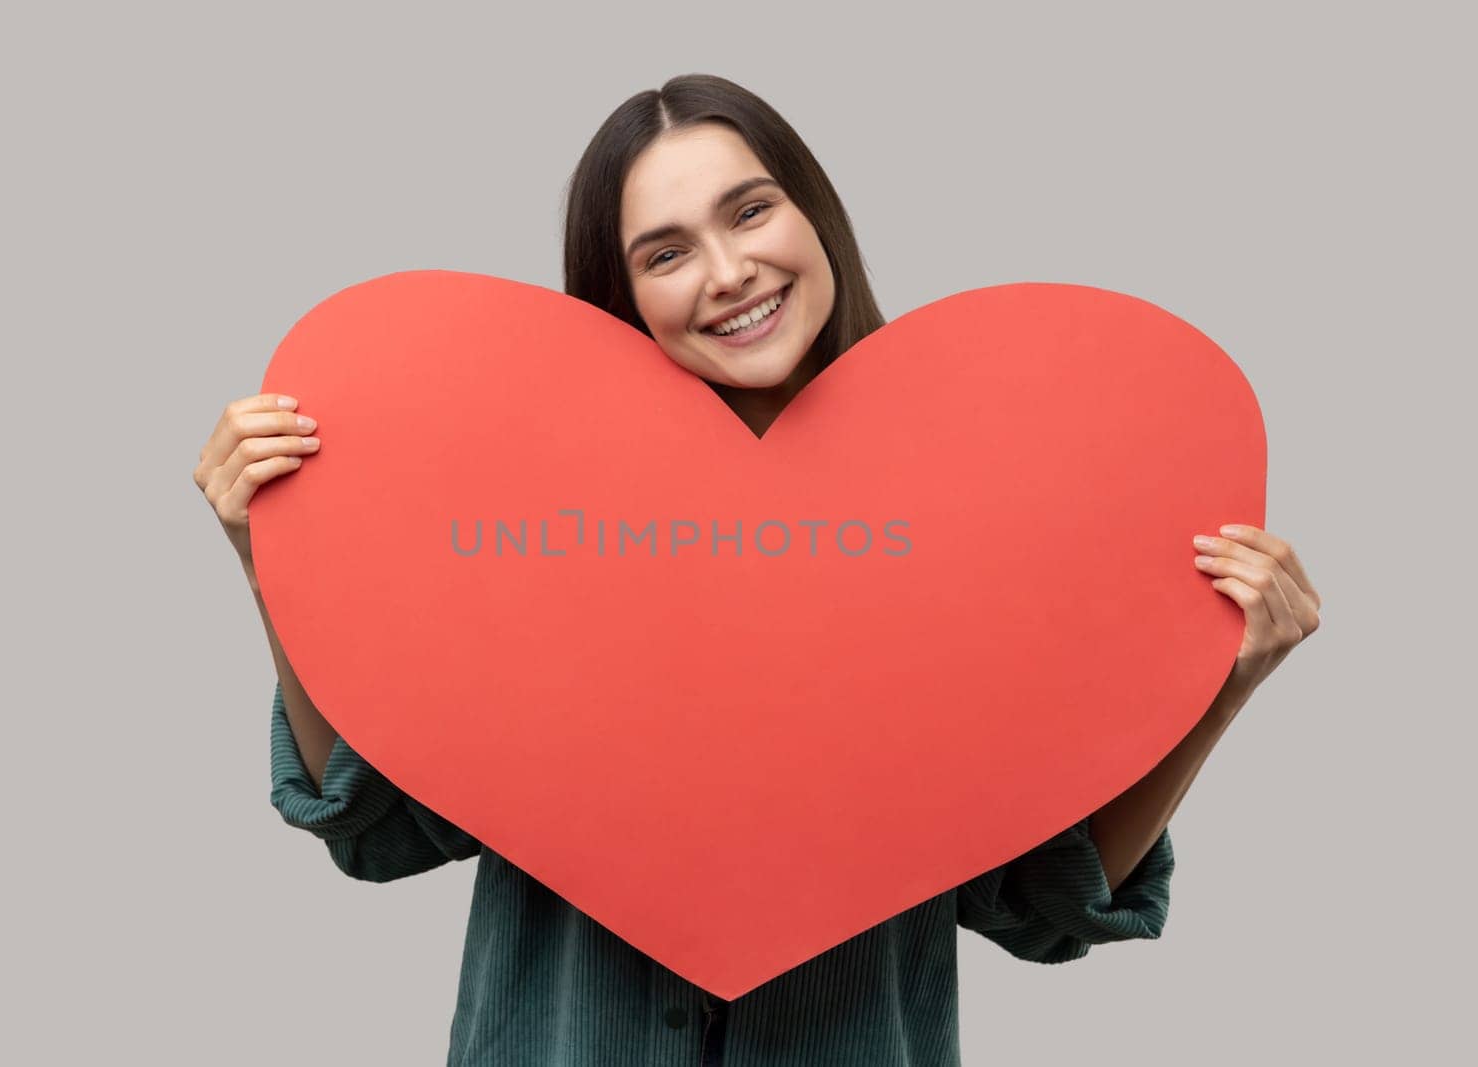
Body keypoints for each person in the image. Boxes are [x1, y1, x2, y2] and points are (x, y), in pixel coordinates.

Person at [194, 73, 1320, 1067]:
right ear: (623, 295)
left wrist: (1220, 683)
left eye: (749, 210)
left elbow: (1040, 907)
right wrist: (276, 561)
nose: (729, 272)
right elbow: (376, 832)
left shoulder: (984, 523)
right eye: (666, 251)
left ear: (812, 214)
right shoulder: (528, 523)